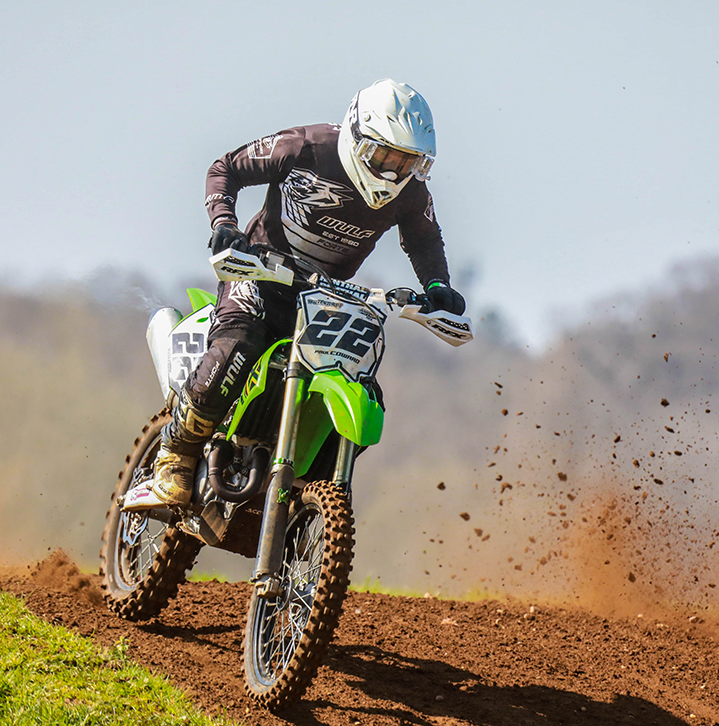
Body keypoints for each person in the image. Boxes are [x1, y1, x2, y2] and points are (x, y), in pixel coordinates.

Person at [124, 79, 465, 511]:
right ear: (358, 137)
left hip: (325, 299)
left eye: (408, 161)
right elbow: (225, 167)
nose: (394, 171)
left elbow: (424, 239)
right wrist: (224, 223)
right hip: (260, 274)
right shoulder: (306, 147)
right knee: (237, 348)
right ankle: (174, 454)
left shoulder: (411, 192)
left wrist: (437, 287)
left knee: (364, 388)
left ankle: (304, 498)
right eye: (385, 156)